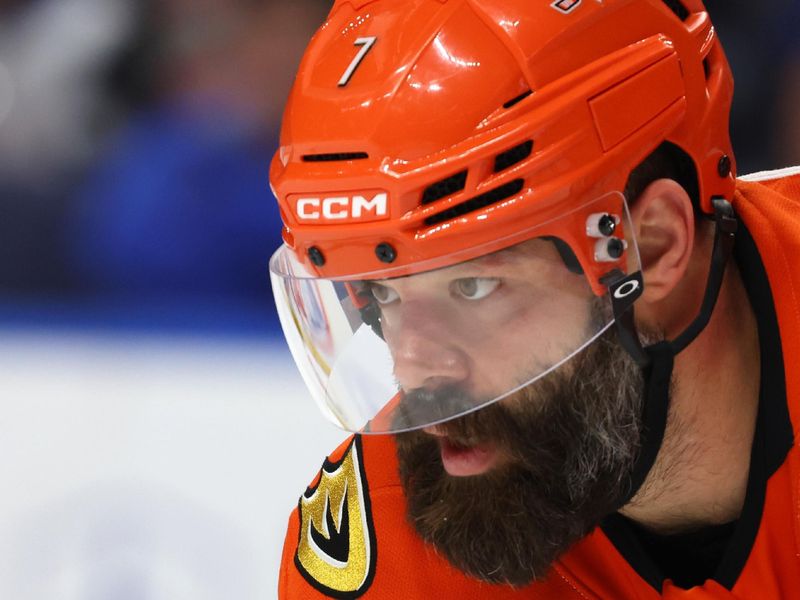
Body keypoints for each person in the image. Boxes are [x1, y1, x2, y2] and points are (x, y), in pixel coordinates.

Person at [268, 0, 800, 597]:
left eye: (472, 287)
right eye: (381, 295)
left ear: (651, 246)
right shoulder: (389, 551)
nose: (413, 367)